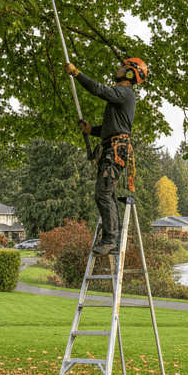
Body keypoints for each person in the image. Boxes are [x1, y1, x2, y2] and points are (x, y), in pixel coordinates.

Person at [64, 57, 148, 256]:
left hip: (116, 150)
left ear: (130, 73)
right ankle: (112, 239)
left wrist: (77, 73)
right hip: (111, 147)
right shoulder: (120, 97)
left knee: (103, 193)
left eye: (122, 67)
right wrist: (91, 129)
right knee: (106, 193)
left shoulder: (124, 92)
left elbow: (99, 90)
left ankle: (110, 239)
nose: (118, 69)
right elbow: (111, 128)